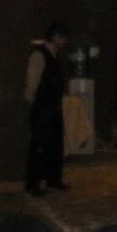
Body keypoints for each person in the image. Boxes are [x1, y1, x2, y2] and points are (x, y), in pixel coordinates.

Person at [24, 22, 70, 196]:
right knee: (39, 145)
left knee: (55, 144)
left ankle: (53, 179)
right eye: (63, 38)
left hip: (53, 107)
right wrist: (33, 103)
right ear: (55, 37)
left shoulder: (54, 55)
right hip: (43, 107)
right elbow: (32, 82)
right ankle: (33, 183)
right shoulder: (39, 55)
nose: (65, 41)